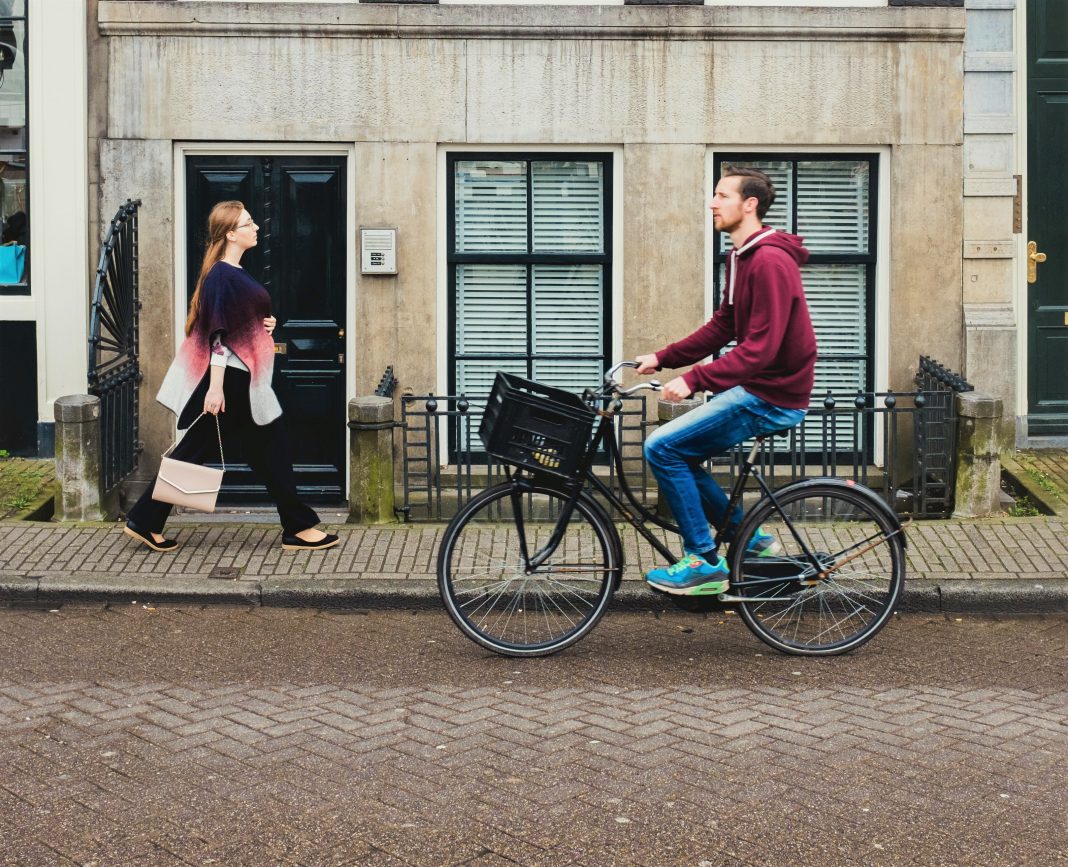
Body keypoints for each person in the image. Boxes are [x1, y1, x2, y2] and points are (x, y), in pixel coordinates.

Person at [635, 166, 817, 596]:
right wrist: (663, 358)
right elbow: (724, 326)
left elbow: (762, 348)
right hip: (759, 386)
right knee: (680, 453)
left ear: (749, 204)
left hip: (773, 394)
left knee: (661, 447)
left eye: (722, 195)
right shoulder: (741, 256)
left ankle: (702, 562)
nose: (713, 203)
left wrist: (694, 379)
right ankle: (750, 540)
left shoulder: (769, 260)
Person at [123, 200, 339, 553]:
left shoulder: (233, 273)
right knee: (265, 449)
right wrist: (216, 388)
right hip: (232, 383)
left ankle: (146, 520)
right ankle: (297, 527)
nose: (256, 227)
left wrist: (265, 323)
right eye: (249, 223)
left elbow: (238, 323)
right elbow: (218, 337)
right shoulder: (223, 275)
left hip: (240, 379)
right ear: (231, 234)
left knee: (221, 450)